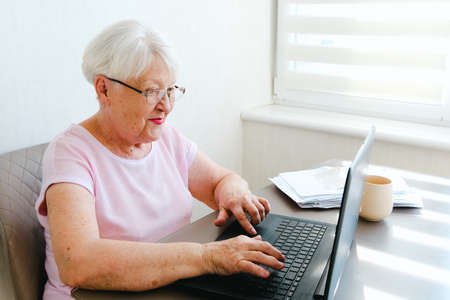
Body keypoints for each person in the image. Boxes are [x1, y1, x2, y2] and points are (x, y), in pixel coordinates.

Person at [35, 20, 284, 300]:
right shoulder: (70, 153)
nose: (165, 105)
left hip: (166, 290)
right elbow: (78, 263)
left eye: (170, 90)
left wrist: (234, 193)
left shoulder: (164, 138)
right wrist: (206, 257)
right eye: (152, 91)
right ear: (104, 89)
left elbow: (221, 180)